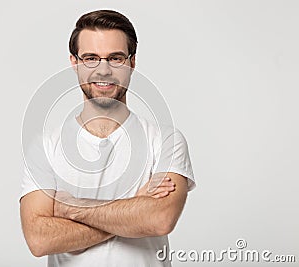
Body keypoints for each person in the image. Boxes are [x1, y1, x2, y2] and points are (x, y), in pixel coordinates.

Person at [19, 9, 196, 267]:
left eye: (116, 58)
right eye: (90, 58)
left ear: (132, 62)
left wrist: (69, 209)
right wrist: (134, 210)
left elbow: (159, 220)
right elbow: (39, 239)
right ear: (74, 62)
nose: (103, 70)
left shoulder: (166, 141)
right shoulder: (45, 146)